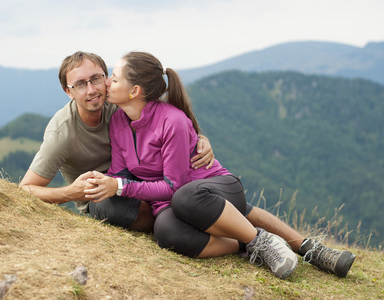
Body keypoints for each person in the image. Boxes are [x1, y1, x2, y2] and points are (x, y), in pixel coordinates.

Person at [84, 51, 356, 279]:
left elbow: (170, 186)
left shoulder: (172, 121)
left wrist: (120, 186)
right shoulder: (119, 122)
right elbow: (122, 174)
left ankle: (280, 245)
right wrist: (110, 184)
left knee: (185, 195)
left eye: (114, 78)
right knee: (165, 231)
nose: (107, 82)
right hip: (174, 204)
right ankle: (250, 242)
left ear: (134, 91)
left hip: (214, 192)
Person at [19, 51, 214, 233]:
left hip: (145, 182)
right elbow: (26, 188)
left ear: (106, 78)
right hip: (107, 196)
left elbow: (166, 123)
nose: (91, 90)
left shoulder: (118, 105)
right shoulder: (61, 133)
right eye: (80, 84)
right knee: (106, 205)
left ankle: (184, 221)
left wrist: (199, 139)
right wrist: (70, 193)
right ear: (68, 92)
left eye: (96, 79)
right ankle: (173, 224)